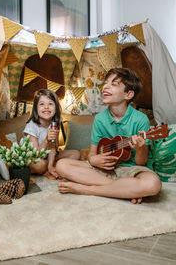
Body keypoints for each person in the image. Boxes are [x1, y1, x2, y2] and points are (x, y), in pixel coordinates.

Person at [56, 68, 162, 203]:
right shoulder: (100, 119)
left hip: (130, 169)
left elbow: (141, 162)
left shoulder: (141, 119)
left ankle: (87, 190)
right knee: (61, 165)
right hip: (103, 171)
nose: (106, 86)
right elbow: (92, 154)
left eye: (114, 84)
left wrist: (140, 148)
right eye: (106, 83)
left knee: (152, 184)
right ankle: (123, 190)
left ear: (128, 95)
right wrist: (93, 160)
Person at [23, 89, 80, 179]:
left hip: (49, 156)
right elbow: (35, 155)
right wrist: (46, 140)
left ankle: (50, 168)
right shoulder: (31, 126)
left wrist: (50, 165)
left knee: (75, 154)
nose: (46, 107)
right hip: (33, 158)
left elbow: (53, 147)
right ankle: (51, 168)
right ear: (36, 108)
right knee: (39, 165)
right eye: (42, 104)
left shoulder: (55, 122)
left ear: (56, 108)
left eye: (50, 104)